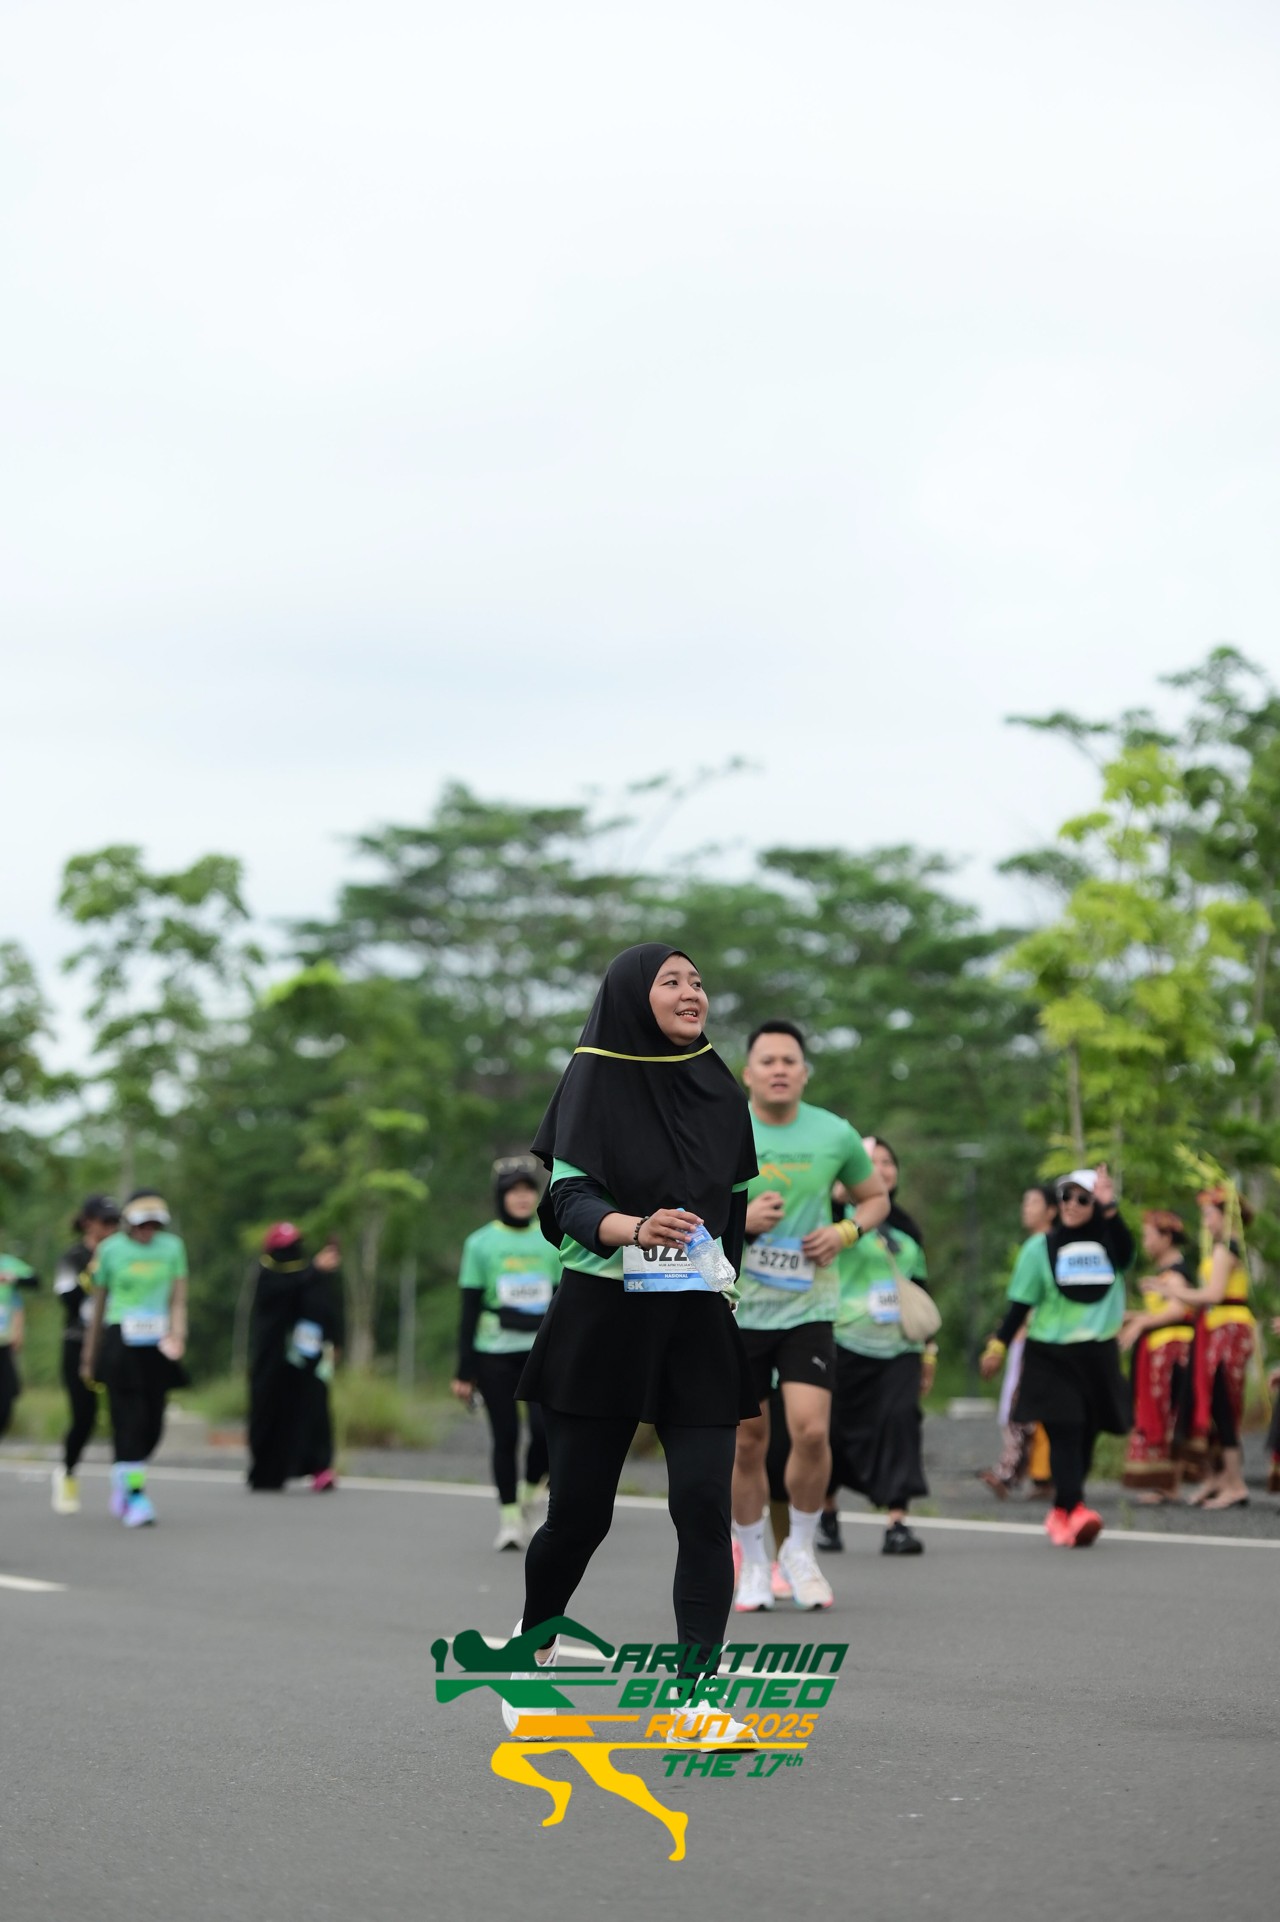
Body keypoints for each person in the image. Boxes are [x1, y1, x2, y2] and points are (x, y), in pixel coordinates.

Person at [514, 944, 759, 1748]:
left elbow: (731, 1208)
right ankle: (530, 1651)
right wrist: (635, 1228)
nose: (693, 992)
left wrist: (726, 1279)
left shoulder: (720, 1089)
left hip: (696, 1319)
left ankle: (697, 1699)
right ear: (630, 997)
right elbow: (569, 1200)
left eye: (698, 981)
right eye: (671, 981)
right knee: (580, 1519)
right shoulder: (594, 1077)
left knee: (703, 1507)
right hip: (602, 1318)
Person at [731, 1021, 888, 1611]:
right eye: (768, 1060)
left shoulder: (833, 1132)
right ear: (748, 1073)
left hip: (809, 1306)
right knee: (747, 1440)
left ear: (804, 1072)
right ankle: (753, 1560)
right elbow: (684, 1202)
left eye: (789, 1060)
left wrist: (845, 1232)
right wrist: (740, 1219)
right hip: (738, 1306)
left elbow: (875, 1198)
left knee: (812, 1430)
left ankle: (799, 1549)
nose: (779, 1069)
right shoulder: (723, 1127)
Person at [980, 1166, 1132, 1548]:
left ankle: (1062, 1511)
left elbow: (1129, 1251)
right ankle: (1076, 1509)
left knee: (1087, 1433)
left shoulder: (1110, 1245)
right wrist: (997, 1347)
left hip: (1097, 1354)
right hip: (1051, 1354)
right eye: (1065, 1196)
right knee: (1066, 1427)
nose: (1071, 1204)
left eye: (1082, 1198)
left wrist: (1111, 1208)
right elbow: (1019, 1306)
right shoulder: (1039, 1248)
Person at [824, 1139, 934, 1557]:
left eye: (888, 1161)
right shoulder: (833, 1217)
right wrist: (837, 1202)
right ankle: (826, 1513)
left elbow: (920, 1289)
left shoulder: (907, 1228)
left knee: (901, 1421)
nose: (881, 1168)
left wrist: (929, 1351)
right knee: (828, 1431)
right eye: (870, 1161)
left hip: (900, 1346)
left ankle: (897, 1523)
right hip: (841, 1340)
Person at [451, 1156, 562, 1549]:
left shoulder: (552, 1239)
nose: (521, 1197)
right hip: (494, 1353)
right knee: (506, 1435)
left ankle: (531, 1495)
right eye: (513, 1191)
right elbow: (469, 1308)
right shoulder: (480, 1243)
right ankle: (510, 1519)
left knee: (545, 1433)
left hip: (541, 1352)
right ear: (500, 1197)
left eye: (528, 1190)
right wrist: (464, 1370)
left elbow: (563, 1300)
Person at [81, 1189, 189, 1528]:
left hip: (157, 1344)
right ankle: (135, 1494)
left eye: (154, 1224)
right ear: (129, 1223)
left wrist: (178, 1334)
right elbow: (98, 1306)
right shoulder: (110, 1250)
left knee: (153, 1424)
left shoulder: (172, 1248)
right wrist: (89, 1356)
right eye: (143, 1224)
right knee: (128, 1419)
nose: (148, 1231)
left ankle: (124, 1476)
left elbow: (178, 1299)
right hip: (120, 1342)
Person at [1148, 1186, 1256, 1511]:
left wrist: (1174, 1294)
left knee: (1222, 1405)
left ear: (1226, 1216)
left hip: (1228, 1328)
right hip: (1217, 1328)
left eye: (1209, 1214)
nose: (1206, 1221)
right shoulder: (1224, 1249)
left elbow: (1213, 1295)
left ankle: (1235, 1483)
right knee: (1211, 1404)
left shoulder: (1226, 1249)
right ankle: (1218, 1479)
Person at [247, 1224, 344, 1493]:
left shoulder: (311, 1275)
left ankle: (320, 1467)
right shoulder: (267, 1275)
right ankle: (268, 1470)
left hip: (308, 1358)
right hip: (272, 1360)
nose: (292, 1252)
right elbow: (282, 1293)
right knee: (270, 1412)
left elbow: (326, 1308)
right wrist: (315, 1270)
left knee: (314, 1409)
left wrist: (335, 1340)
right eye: (287, 1248)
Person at [979, 1183, 1058, 1502]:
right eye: (1025, 1202)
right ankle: (1039, 1476)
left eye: (1034, 1202)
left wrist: (1000, 1342)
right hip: (1049, 1339)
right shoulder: (1053, 1244)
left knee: (1020, 1409)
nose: (1026, 1208)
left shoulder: (1040, 1246)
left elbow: (1025, 1304)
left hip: (1039, 1341)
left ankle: (1012, 1473)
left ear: (1051, 1210)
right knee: (1042, 1411)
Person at [1118, 1210, 1195, 1503]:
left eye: (1150, 1236)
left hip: (1172, 1351)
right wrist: (1132, 1317)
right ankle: (1165, 1482)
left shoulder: (1175, 1274)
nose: (1146, 1242)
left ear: (1167, 1237)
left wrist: (1141, 1323)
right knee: (1163, 1412)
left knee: (1170, 1412)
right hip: (1159, 1351)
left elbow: (1177, 1310)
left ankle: (1169, 1484)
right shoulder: (1166, 1272)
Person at [51, 1194, 121, 1514]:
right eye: (106, 1222)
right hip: (78, 1343)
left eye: (116, 1222)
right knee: (84, 1416)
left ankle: (126, 1485)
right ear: (88, 1222)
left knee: (123, 1415)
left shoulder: (122, 1254)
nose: (112, 1228)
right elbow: (67, 1301)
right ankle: (67, 1473)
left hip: (115, 1342)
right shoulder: (73, 1256)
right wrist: (93, 1270)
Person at [0, 1245, 39, 1442]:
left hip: (4, 1340)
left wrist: (11, 1277)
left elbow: (34, 1280)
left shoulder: (7, 1263)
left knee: (8, 1390)